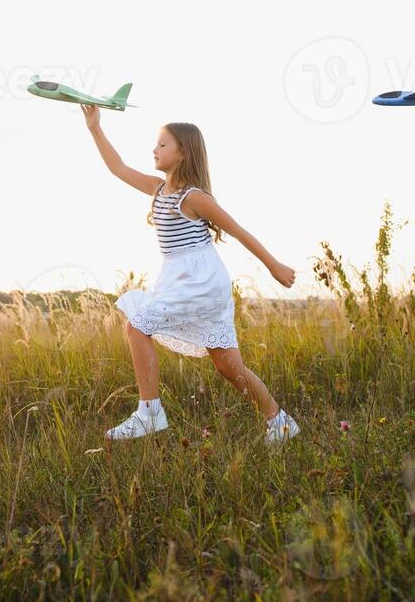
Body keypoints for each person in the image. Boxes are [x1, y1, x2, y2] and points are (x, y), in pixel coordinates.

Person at [80, 104, 301, 444]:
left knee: (136, 325)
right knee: (228, 366)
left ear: (183, 153)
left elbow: (239, 230)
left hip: (202, 282)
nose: (154, 150)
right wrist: (95, 127)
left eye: (162, 144)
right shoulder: (157, 189)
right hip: (178, 279)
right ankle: (280, 421)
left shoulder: (194, 197)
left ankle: (149, 413)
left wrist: (274, 265)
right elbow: (118, 168)